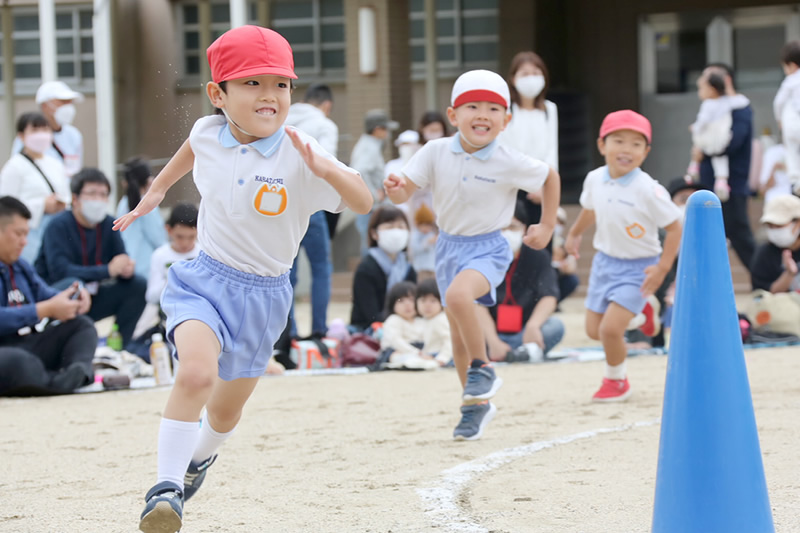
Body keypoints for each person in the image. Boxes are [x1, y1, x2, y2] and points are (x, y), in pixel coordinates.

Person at [112, 25, 372, 533]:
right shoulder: (208, 131)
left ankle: (198, 460)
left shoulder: (301, 151)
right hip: (203, 282)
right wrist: (158, 191)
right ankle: (164, 490)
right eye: (252, 83)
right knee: (195, 375)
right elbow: (192, 146)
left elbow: (362, 201)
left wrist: (326, 168)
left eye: (280, 84)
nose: (270, 95)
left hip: (265, 297)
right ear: (218, 94)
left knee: (226, 414)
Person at [385, 69, 560, 441]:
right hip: (448, 247)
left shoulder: (509, 159)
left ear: (506, 120)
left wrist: (546, 226)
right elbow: (404, 192)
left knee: (458, 296)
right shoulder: (434, 151)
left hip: (489, 247)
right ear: (453, 116)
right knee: (459, 340)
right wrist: (396, 189)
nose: (483, 114)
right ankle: (474, 407)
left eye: (494, 108)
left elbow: (549, 178)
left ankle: (484, 368)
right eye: (472, 107)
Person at [565, 110, 681, 402]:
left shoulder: (649, 190)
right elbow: (590, 209)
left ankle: (616, 382)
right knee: (593, 331)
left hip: (640, 268)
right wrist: (574, 233)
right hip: (604, 264)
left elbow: (675, 228)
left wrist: (662, 269)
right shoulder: (594, 179)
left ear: (646, 152)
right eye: (618, 141)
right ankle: (643, 312)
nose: (626, 150)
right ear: (602, 145)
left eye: (636, 144)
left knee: (609, 330)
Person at [35, 168, 147, 349]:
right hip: (58, 296)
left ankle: (118, 350)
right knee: (74, 284)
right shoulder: (58, 225)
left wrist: (126, 269)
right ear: (75, 199)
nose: (98, 200)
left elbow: (120, 259)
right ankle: (72, 348)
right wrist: (107, 270)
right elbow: (60, 271)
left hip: (94, 297)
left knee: (138, 284)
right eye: (92, 194)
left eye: (103, 194)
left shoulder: (109, 224)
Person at [0, 196, 95, 396]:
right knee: (20, 362)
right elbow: (45, 306)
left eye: (26, 234)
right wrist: (44, 310)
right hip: (7, 354)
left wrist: (73, 296)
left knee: (83, 326)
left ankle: (74, 373)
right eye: (19, 234)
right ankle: (56, 381)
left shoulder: (20, 266)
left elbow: (46, 294)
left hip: (26, 344)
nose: (24, 242)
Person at [285, 84, 340, 338]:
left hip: (280, 203)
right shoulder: (325, 125)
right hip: (311, 204)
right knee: (321, 268)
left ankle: (289, 332)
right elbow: (327, 164)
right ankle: (319, 329)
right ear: (326, 105)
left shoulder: (282, 117)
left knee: (287, 270)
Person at [479, 201, 565, 363]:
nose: (506, 233)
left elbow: (549, 296)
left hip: (525, 331)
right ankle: (522, 353)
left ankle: (516, 352)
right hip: (489, 332)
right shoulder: (483, 257)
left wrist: (533, 325)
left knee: (555, 326)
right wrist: (492, 340)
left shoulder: (537, 256)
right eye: (501, 228)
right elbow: (476, 303)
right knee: (463, 328)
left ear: (524, 229)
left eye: (512, 227)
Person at [693, 63, 756, 274]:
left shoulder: (740, 108)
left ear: (725, 80)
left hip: (731, 185)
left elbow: (732, 142)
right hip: (709, 183)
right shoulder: (712, 107)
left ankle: (767, 280)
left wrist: (705, 147)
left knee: (739, 234)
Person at [498, 51, 559, 234]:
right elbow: (505, 148)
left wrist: (545, 185)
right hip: (512, 186)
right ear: (514, 79)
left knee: (540, 237)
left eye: (536, 73)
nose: (531, 79)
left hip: (540, 185)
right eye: (525, 73)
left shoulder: (549, 109)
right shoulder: (506, 110)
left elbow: (551, 149)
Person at [0, 112, 71, 263]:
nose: (41, 135)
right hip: (30, 234)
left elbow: (67, 194)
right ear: (21, 135)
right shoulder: (14, 167)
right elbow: (5, 206)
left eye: (45, 130)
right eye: (35, 130)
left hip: (56, 231)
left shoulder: (55, 164)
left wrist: (62, 203)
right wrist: (42, 205)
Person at [349, 205, 416, 331]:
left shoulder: (407, 268)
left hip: (404, 328)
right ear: (374, 233)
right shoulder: (367, 269)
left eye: (401, 227)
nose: (396, 232)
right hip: (368, 330)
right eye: (390, 227)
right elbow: (371, 315)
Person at [686, 70, 749, 202]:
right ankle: (721, 181)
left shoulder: (708, 104)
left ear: (711, 90)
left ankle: (693, 168)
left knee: (698, 147)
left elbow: (702, 121)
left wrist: (694, 127)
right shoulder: (726, 102)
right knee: (720, 159)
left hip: (708, 140)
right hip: (721, 140)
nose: (699, 92)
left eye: (701, 88)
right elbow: (742, 101)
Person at [351, 109, 399, 255]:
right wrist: (374, 194)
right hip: (369, 208)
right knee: (371, 245)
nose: (387, 133)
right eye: (385, 129)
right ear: (377, 129)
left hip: (368, 207)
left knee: (371, 243)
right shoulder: (369, 147)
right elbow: (361, 171)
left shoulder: (370, 144)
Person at [11, 81, 84, 177]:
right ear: (45, 105)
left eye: (70, 102)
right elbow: (17, 169)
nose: (68, 106)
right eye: (62, 101)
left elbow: (76, 169)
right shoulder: (30, 136)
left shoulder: (74, 134)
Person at [116, 158, 167, 279]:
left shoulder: (123, 203)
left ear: (125, 182)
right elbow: (158, 240)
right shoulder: (148, 206)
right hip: (146, 270)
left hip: (127, 267)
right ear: (150, 181)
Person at [146, 204, 200, 307]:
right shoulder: (159, 255)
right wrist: (172, 280)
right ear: (169, 230)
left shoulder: (204, 253)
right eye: (180, 236)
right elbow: (151, 297)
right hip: (168, 312)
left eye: (191, 237)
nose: (185, 243)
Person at [380, 281, 438, 370]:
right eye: (401, 301)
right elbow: (396, 341)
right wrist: (415, 352)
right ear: (392, 304)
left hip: (420, 350)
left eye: (411, 300)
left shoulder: (422, 321)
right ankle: (408, 363)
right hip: (397, 350)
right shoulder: (393, 320)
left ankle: (421, 362)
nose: (407, 305)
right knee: (395, 356)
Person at [751, 195, 800, 293]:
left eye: (779, 225)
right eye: (770, 226)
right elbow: (765, 294)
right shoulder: (764, 254)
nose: (774, 230)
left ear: (798, 222)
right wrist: (789, 274)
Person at [773, 40, 800, 194]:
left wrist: (779, 121)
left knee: (792, 151)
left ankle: (796, 182)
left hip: (792, 124)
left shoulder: (790, 80)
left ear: (791, 65)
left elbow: (778, 102)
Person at [416, 278, 452, 366]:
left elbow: (449, 340)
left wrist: (442, 359)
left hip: (442, 356)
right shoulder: (424, 320)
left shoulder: (441, 319)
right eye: (423, 301)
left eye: (433, 301)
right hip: (428, 354)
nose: (427, 305)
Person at [409, 204, 437, 281]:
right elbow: (414, 250)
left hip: (432, 267)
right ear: (418, 224)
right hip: (420, 268)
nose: (426, 228)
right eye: (424, 225)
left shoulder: (431, 234)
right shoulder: (415, 235)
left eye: (429, 225)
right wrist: (427, 243)